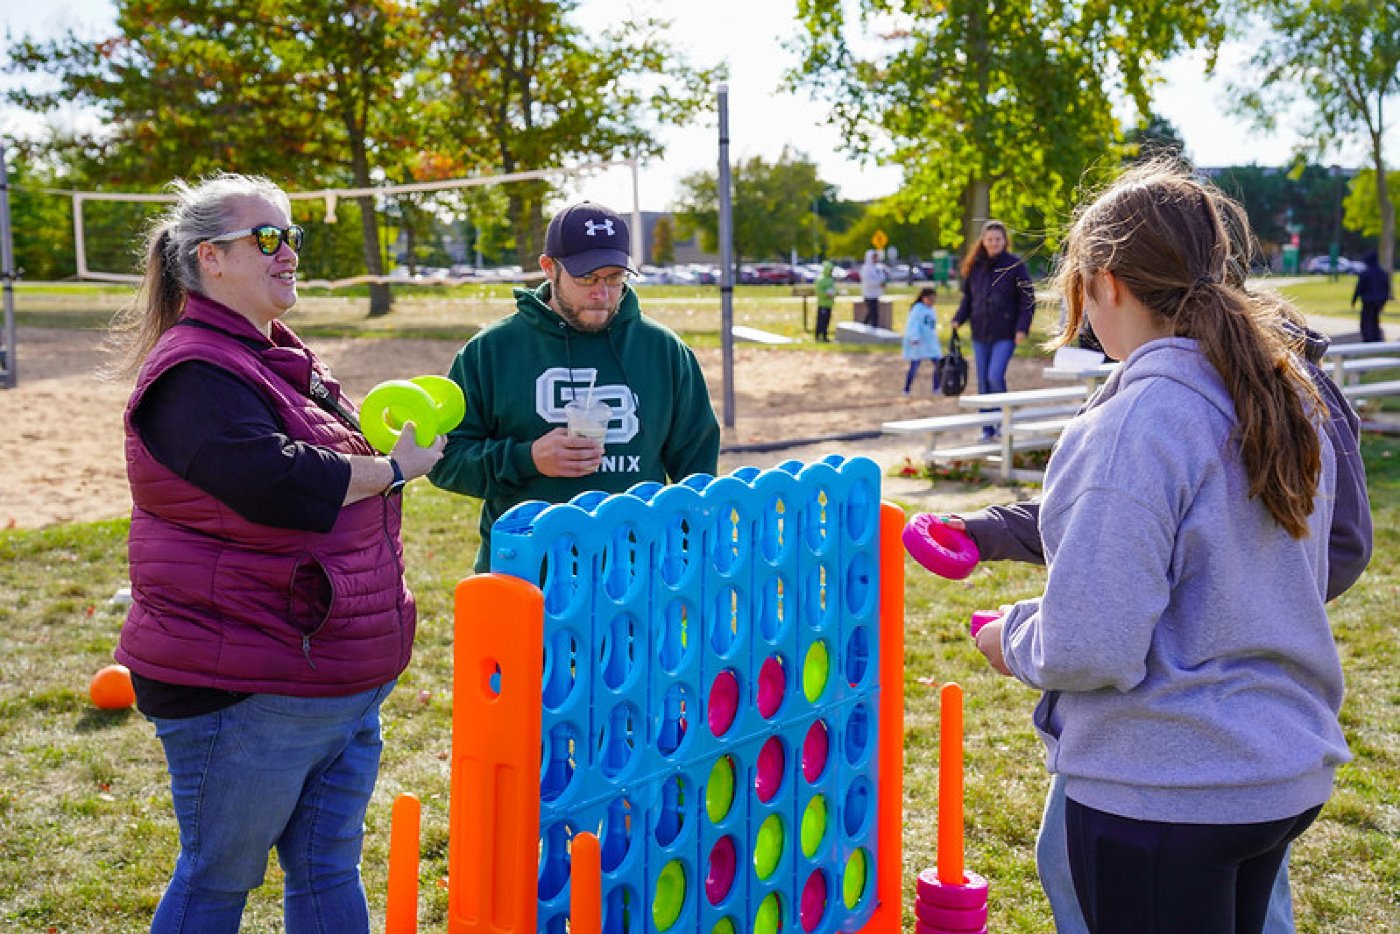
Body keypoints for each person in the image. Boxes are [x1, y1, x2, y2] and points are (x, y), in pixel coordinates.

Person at [972, 163, 1351, 933]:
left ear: (1105, 283)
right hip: (1280, 773)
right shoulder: (1284, 395)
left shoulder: (1136, 422)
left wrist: (1010, 637)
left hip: (1168, 791)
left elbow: (1092, 646)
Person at [111, 174, 445, 933]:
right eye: (268, 237)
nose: (288, 251)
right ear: (211, 259)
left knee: (328, 868)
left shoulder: (278, 355)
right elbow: (276, 483)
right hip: (244, 682)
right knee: (218, 881)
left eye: (292, 234)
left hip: (331, 676)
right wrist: (392, 471)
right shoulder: (193, 370)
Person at [429, 201, 720, 571]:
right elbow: (445, 461)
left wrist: (683, 561)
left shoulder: (665, 352)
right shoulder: (491, 351)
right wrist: (528, 457)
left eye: (614, 277)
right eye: (587, 278)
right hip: (526, 572)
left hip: (634, 576)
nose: (602, 293)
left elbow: (697, 476)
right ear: (549, 268)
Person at [951, 220, 1036, 438]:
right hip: (980, 332)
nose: (994, 242)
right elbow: (968, 299)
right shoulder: (975, 267)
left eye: (998, 239)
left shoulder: (1015, 265)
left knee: (995, 376)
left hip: (1005, 333)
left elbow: (1027, 299)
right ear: (983, 241)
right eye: (990, 239)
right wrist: (958, 319)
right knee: (982, 382)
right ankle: (987, 428)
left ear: (1004, 241)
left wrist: (1021, 328)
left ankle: (1002, 423)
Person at [902, 286, 941, 394]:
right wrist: (914, 337)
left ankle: (936, 387)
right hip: (918, 342)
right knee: (914, 366)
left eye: (934, 299)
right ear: (923, 298)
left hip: (930, 341)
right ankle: (906, 388)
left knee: (939, 364)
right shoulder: (917, 309)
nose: (932, 301)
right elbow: (913, 325)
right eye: (930, 299)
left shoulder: (932, 310)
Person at [1352, 250, 1392, 342]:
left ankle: (1368, 339)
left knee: (1366, 321)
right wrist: (1383, 302)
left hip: (1368, 301)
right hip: (1379, 301)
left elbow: (1359, 288)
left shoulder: (1365, 273)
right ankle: (1376, 338)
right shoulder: (1383, 273)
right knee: (1375, 320)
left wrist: (1354, 300)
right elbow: (1386, 289)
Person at [859, 248, 889, 326]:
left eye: (876, 257)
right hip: (869, 295)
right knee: (873, 314)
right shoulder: (866, 268)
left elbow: (881, 277)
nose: (876, 258)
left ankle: (864, 327)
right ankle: (873, 329)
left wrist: (883, 282)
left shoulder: (877, 267)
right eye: (874, 257)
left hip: (875, 294)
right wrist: (879, 283)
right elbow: (868, 281)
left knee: (871, 314)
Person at [814, 260, 837, 341]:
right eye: (830, 270)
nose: (831, 271)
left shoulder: (830, 279)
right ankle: (817, 336)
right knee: (821, 321)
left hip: (829, 304)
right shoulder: (821, 279)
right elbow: (818, 291)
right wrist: (826, 294)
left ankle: (824, 336)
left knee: (827, 321)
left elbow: (833, 289)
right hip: (822, 304)